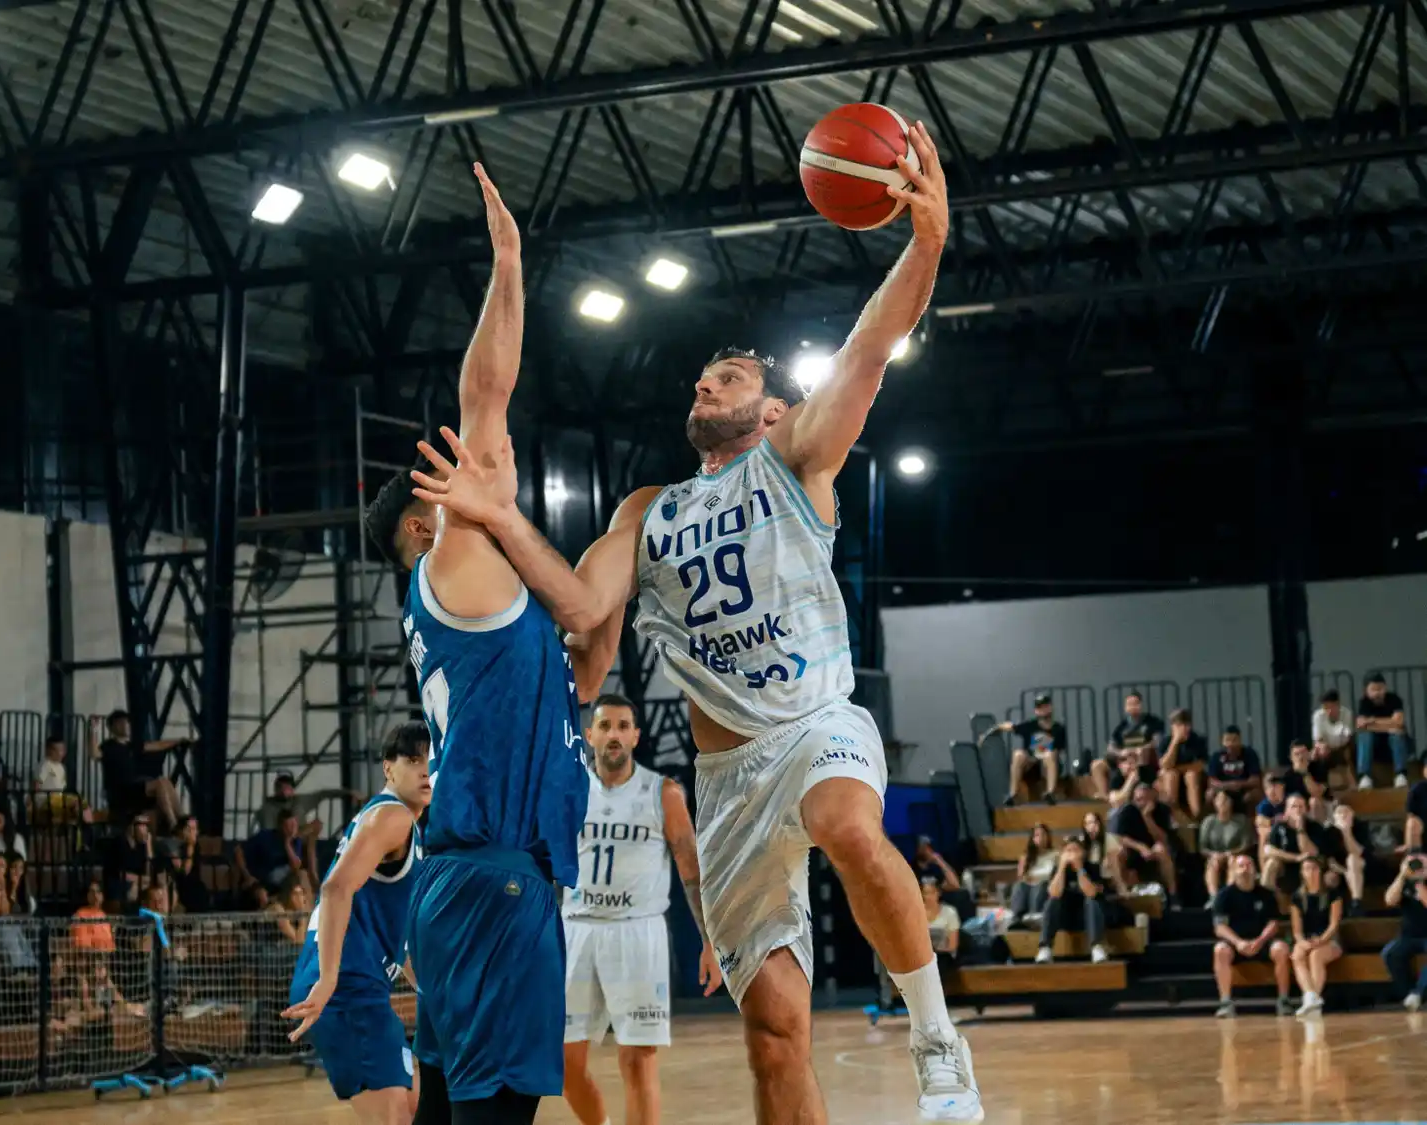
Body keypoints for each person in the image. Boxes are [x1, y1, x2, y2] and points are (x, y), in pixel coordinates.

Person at [410, 128, 979, 1122]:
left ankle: (936, 1035)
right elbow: (583, 609)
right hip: (726, 785)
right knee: (773, 1037)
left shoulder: (798, 458)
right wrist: (499, 513)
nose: (704, 382)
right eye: (702, 377)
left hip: (814, 725)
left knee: (848, 822)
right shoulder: (646, 510)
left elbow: (869, 349)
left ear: (774, 412)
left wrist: (924, 246)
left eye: (730, 376)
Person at [361, 164, 591, 1125]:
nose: (468, 478)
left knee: (446, 1108)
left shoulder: (467, 603)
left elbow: (578, 630)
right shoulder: (458, 552)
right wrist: (508, 262)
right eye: (443, 486)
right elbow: (486, 395)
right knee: (494, 1118)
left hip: (465, 881)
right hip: (497, 879)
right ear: (426, 526)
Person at [561, 693, 721, 1125]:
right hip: (577, 930)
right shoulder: (568, 790)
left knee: (638, 1061)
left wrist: (710, 941)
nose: (613, 735)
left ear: (636, 736)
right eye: (605, 726)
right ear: (589, 735)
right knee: (561, 1062)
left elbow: (691, 869)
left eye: (622, 726)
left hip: (637, 933)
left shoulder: (663, 793)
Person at [282, 722, 433, 1125]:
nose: (425, 770)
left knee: (422, 1108)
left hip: (358, 986)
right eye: (413, 759)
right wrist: (329, 978)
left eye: (431, 761)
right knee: (398, 1119)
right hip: (347, 987)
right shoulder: (394, 817)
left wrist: (433, 991)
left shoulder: (394, 824)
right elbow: (333, 890)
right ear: (388, 768)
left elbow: (393, 940)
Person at [1211, 854, 1293, 1017]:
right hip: (1236, 944)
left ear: (1255, 870)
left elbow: (1273, 924)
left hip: (1262, 942)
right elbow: (1220, 927)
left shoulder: (1266, 894)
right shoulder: (1224, 895)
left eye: (1249, 865)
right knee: (1220, 949)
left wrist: (1260, 941)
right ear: (1233, 871)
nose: (1245, 869)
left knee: (1282, 948)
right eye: (1241, 866)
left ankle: (1283, 1000)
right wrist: (1239, 942)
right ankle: (1226, 1002)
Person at [98, 709, 186, 828]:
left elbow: (157, 745)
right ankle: (173, 823)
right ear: (113, 726)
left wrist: (178, 741)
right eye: (121, 722)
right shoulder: (108, 746)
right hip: (121, 790)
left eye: (126, 722)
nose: (125, 725)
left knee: (165, 782)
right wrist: (93, 730)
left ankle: (182, 820)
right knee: (159, 783)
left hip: (135, 787)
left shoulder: (132, 746)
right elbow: (94, 753)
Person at [1035, 836, 1108, 964]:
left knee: (1091, 901)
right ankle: (1045, 948)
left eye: (1075, 850)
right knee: (1052, 901)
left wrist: (1079, 868)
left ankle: (1097, 947)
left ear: (1083, 853)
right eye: (1068, 850)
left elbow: (1091, 892)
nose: (1072, 854)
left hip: (1087, 919)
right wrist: (1062, 867)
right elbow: (1054, 893)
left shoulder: (1092, 868)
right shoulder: (1057, 869)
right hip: (1064, 918)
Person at [1289, 855, 1343, 1017]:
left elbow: (1334, 924)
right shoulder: (1297, 897)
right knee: (1297, 954)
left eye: (1314, 868)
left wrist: (1322, 940)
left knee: (1316, 956)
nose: (1310, 872)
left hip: (1330, 940)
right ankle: (1311, 997)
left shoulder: (1332, 894)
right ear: (1302, 873)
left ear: (1320, 871)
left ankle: (1313, 999)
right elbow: (1297, 930)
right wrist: (1302, 942)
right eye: (1307, 869)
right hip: (1308, 938)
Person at [992, 693, 1066, 806]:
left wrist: (1042, 755)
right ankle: (1013, 794)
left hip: (1049, 764)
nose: (1043, 710)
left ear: (1050, 707)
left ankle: (1050, 793)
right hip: (1031, 764)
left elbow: (1058, 751)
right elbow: (1009, 726)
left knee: (1049, 755)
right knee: (1018, 754)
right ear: (1036, 711)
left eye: (1045, 706)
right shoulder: (1030, 725)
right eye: (1039, 708)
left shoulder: (1058, 729)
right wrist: (991, 731)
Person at [1092, 692, 1162, 805]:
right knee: (1097, 765)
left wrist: (1142, 748)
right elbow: (1111, 747)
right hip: (1124, 759)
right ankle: (1105, 797)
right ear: (1125, 707)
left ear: (1141, 705)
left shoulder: (1153, 722)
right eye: (1129, 704)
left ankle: (1124, 795)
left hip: (1144, 760)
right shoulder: (1121, 726)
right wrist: (1121, 753)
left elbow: (1157, 741)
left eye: (1135, 703)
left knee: (1141, 756)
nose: (1133, 706)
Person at [1111, 783, 1179, 901]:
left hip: (1154, 849)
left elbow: (1163, 838)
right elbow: (1120, 838)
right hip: (1134, 850)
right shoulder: (1128, 810)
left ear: (1152, 798)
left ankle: (1173, 894)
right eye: (1138, 799)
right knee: (1116, 852)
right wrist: (1140, 847)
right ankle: (1123, 893)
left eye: (1145, 799)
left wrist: (1147, 817)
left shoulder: (1162, 810)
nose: (1141, 803)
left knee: (1161, 849)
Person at [1381, 853, 1427, 1010]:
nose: (1417, 866)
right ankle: (1409, 994)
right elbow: (1389, 900)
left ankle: (1419, 993)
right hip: (1409, 935)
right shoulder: (1404, 883)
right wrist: (1401, 875)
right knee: (1389, 953)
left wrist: (1422, 886)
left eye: (1421, 862)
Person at [1355, 672, 1410, 789]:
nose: (1377, 693)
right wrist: (1389, 724)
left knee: (1397, 733)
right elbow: (1361, 725)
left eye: (1380, 688)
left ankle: (1400, 774)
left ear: (1385, 688)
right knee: (1365, 736)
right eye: (1373, 689)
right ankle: (1364, 776)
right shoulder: (1364, 702)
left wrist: (1372, 721)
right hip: (1375, 746)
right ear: (1367, 691)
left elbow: (1399, 722)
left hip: (1393, 743)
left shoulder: (1394, 699)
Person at [1199, 790, 1254, 905]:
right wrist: (1213, 854)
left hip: (1235, 855)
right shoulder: (1208, 822)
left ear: (1231, 802)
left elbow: (1246, 844)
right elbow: (1202, 848)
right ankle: (1214, 897)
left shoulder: (1241, 820)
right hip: (1215, 856)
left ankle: (1229, 896)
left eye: (1225, 800)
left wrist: (1230, 853)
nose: (1222, 803)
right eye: (1219, 800)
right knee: (1213, 863)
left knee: (1233, 861)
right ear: (1214, 803)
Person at [1158, 708, 1209, 819]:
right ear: (1173, 727)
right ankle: (1172, 816)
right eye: (1179, 725)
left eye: (1186, 725)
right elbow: (1164, 765)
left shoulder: (1197, 740)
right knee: (1171, 775)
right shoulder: (1165, 741)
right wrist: (1175, 742)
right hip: (1172, 779)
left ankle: (1197, 816)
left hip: (1192, 778)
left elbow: (1199, 764)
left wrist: (1177, 768)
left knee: (1191, 775)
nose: (1184, 729)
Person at [1007, 823, 1055, 925]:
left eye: (1043, 834)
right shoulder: (1027, 856)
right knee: (1018, 886)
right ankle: (1016, 918)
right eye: (1037, 835)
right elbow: (1021, 877)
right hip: (1029, 885)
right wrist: (1023, 862)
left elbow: (1055, 875)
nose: (1041, 838)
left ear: (1048, 836)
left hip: (1045, 885)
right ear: (1032, 839)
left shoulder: (1055, 854)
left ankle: (1033, 917)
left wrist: (1036, 879)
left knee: (1040, 886)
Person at [1311, 689, 1356, 790]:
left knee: (1352, 750)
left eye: (1331, 707)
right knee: (1316, 755)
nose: (1329, 711)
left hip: (1343, 746)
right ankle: (1324, 787)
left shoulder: (1346, 714)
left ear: (1338, 705)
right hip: (1326, 748)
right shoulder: (1318, 716)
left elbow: (1347, 736)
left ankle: (1355, 783)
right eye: (1325, 707)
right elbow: (1317, 739)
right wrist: (1322, 746)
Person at [920, 879, 961, 969]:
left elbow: (953, 945)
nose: (929, 897)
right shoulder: (916, 912)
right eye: (926, 893)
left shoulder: (950, 912)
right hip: (922, 957)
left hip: (943, 955)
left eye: (932, 893)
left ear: (938, 893)